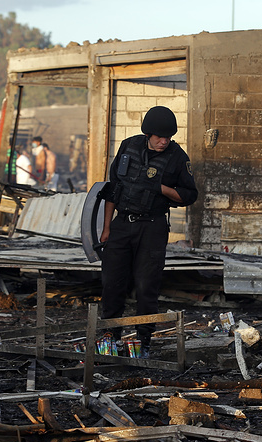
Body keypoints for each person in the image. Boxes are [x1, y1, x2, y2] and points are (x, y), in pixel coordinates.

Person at [100, 106, 198, 358]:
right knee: (112, 282)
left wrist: (162, 188)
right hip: (122, 224)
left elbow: (189, 195)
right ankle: (110, 337)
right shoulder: (128, 147)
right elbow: (113, 188)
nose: (163, 141)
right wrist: (107, 227)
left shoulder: (178, 157)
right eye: (159, 137)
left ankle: (144, 340)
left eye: (168, 137)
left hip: (152, 227)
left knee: (146, 285)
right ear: (147, 134)